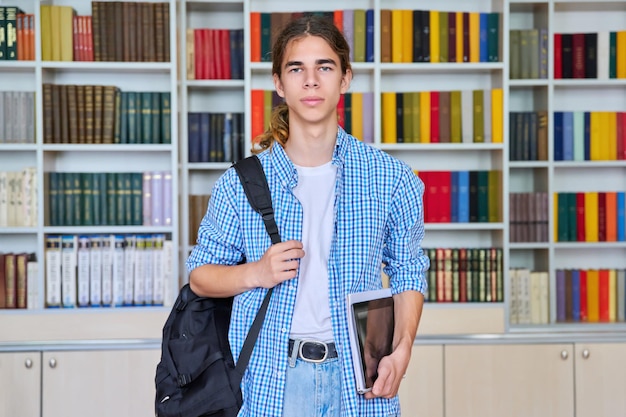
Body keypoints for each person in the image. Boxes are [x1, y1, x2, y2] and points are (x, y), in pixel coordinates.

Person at [186, 14, 429, 417]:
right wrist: (255, 273)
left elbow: (408, 271)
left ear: (345, 78)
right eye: (297, 68)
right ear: (279, 84)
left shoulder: (390, 177)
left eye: (325, 67)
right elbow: (199, 276)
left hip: (360, 386)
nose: (311, 80)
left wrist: (402, 350)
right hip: (270, 382)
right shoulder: (241, 183)